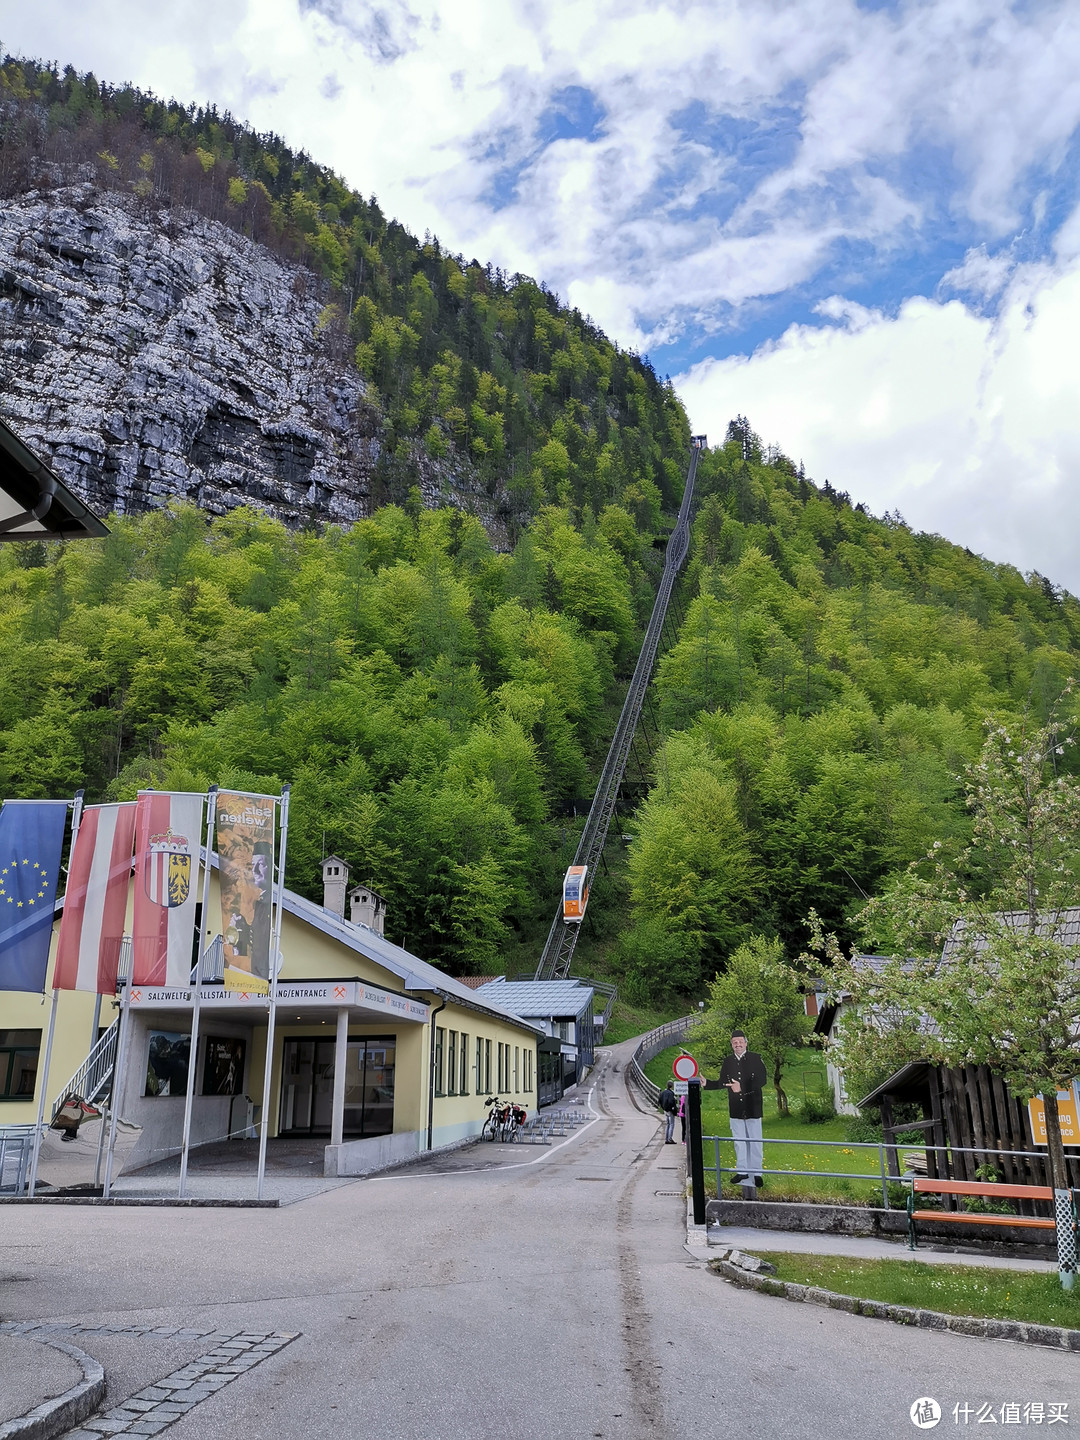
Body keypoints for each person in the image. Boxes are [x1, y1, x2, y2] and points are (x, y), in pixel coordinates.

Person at [703, 1030, 766, 1187]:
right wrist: (707, 1084)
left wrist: (742, 1088)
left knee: (755, 1141)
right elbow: (723, 1082)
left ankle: (757, 1173)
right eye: (734, 1042)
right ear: (731, 1045)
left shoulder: (756, 1058)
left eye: (740, 1041)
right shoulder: (728, 1062)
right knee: (739, 1141)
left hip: (753, 1107)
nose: (737, 1044)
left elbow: (762, 1080)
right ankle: (742, 1171)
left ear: (746, 1042)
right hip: (736, 1108)